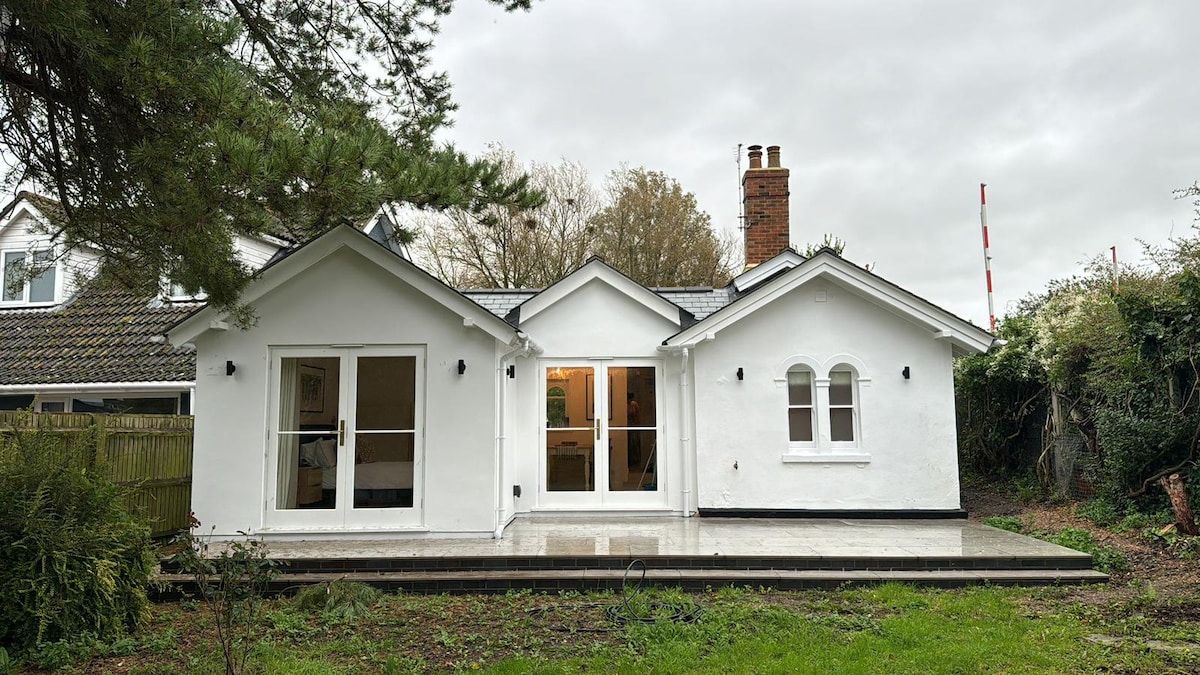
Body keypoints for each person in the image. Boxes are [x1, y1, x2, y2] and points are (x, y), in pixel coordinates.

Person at [627, 392, 641, 468]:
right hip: (631, 426)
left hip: (633, 426)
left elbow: (632, 414)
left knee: (633, 443)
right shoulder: (632, 404)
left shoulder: (633, 404)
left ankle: (634, 460)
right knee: (631, 443)